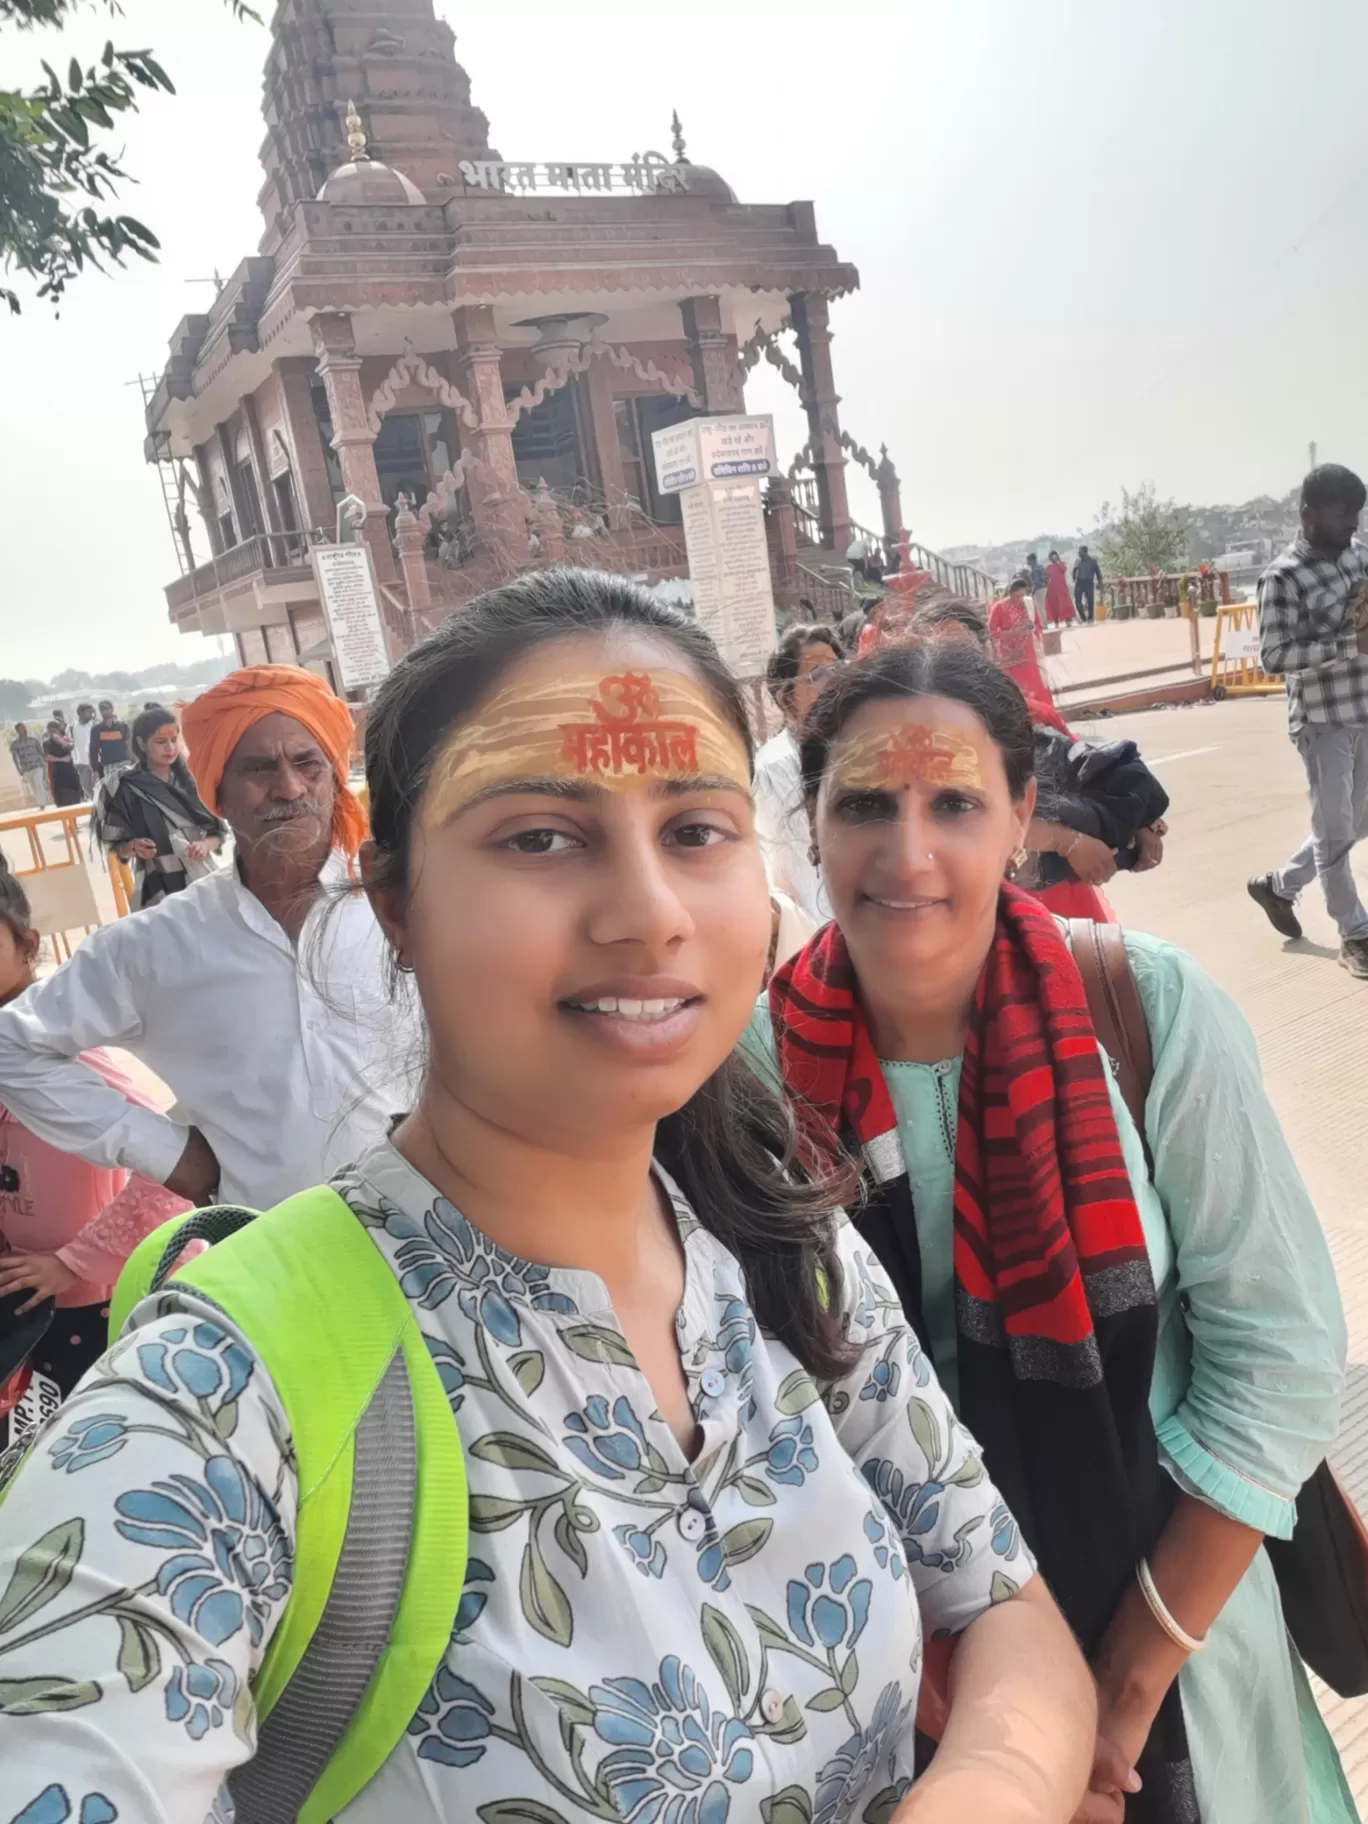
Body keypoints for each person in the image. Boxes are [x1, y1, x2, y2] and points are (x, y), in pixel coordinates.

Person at [0, 571, 1098, 1822]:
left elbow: (1008, 1607)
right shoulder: (218, 1407)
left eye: (695, 830)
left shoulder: (780, 1241)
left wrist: (991, 1784)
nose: (649, 915)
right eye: (542, 837)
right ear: (399, 904)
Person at [745, 637, 1351, 1823]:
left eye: (957, 803)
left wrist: (1119, 1693)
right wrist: (973, 1705)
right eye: (865, 803)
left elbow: (1276, 1357)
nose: (907, 852)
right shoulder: (749, 1082)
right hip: (896, 1685)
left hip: (1182, 1651)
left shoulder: (1146, 1008)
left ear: (1024, 815)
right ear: (810, 819)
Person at [0, 663, 417, 1211]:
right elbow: (13, 1045)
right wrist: (166, 1152)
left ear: (335, 776)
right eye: (259, 768)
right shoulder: (158, 945)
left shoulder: (404, 904)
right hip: (271, 1256)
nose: (289, 787)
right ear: (216, 792)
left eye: (307, 764)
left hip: (440, 1245)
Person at [0, 864, 190, 1439]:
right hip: (35, 1300)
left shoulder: (73, 1060)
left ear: (29, 944)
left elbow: (176, 1172)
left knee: (109, 1435)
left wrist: (72, 1263)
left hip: (103, 1303)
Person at [920, 597, 1166, 921]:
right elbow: (962, 825)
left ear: (987, 653)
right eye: (935, 651)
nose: (949, 665)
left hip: (1066, 901)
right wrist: (1069, 842)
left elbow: (1089, 777)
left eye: (959, 650)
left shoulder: (1034, 715)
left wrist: (1141, 823)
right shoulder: (916, 740)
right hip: (983, 912)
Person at [1250, 463, 1368, 978]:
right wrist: (1348, 645)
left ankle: (1279, 885)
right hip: (1323, 720)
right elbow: (1273, 656)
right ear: (1308, 514)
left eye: (1357, 513)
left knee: (1351, 825)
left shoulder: (1360, 555)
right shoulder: (1282, 577)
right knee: (1336, 829)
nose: (1353, 524)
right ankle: (1355, 932)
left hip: (1365, 707)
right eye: (1343, 513)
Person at [754, 622, 845, 926]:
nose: (832, 682)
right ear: (786, 698)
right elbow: (797, 877)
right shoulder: (774, 767)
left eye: (838, 669)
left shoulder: (858, 747)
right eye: (818, 675)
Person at [92, 706, 225, 910]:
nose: (170, 748)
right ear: (141, 744)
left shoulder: (191, 779)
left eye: (174, 740)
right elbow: (119, 848)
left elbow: (218, 833)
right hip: (157, 884)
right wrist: (134, 847)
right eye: (161, 742)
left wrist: (204, 845)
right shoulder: (126, 787)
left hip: (202, 877)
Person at [7, 723, 49, 809]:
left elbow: (40, 751)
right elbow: (15, 758)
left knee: (39, 783)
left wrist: (46, 760)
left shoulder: (33, 740)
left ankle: (42, 803)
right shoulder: (14, 743)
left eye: (25, 727)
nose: (24, 729)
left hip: (37, 765)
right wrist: (19, 769)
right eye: (22, 728)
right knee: (33, 786)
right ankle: (40, 802)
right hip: (26, 768)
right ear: (18, 731)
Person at [88, 699, 131, 782]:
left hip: (124, 763)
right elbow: (93, 750)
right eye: (102, 710)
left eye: (107, 709)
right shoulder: (96, 729)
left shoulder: (122, 726)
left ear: (112, 709)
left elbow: (128, 744)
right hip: (108, 765)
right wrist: (95, 770)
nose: (104, 712)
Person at [42, 721, 82, 807]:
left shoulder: (66, 739)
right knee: (61, 797)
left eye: (54, 728)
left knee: (75, 795)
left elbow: (71, 746)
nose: (52, 731)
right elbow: (47, 757)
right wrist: (61, 759)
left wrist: (60, 740)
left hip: (70, 770)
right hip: (58, 772)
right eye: (50, 729)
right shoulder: (46, 743)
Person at [1044, 551, 1076, 627]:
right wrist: (1046, 590)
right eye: (1052, 557)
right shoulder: (1048, 567)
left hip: (1062, 588)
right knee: (1054, 606)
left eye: (1055, 556)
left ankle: (1068, 621)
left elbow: (1063, 569)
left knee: (1066, 604)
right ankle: (1056, 622)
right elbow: (1046, 578)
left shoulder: (1062, 563)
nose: (1053, 558)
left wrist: (1057, 562)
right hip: (1052, 589)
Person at [1073, 546, 1103, 624]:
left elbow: (1098, 574)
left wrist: (1100, 584)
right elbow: (1074, 571)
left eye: (1080, 551)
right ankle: (1083, 618)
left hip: (1089, 582)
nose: (1078, 553)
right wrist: (1074, 577)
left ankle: (1090, 618)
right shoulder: (1078, 561)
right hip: (1079, 583)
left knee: (1090, 601)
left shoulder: (1093, 561)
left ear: (1084, 552)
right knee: (1078, 602)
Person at [74, 702, 98, 799]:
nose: (91, 714)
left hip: (95, 762)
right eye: (88, 712)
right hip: (81, 763)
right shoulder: (72, 727)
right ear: (80, 712)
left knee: (98, 787)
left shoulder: (95, 725)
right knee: (87, 789)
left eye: (92, 712)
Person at [1026, 551, 1048, 626]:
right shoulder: (1039, 566)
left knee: (1041, 607)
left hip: (1039, 589)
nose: (1027, 562)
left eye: (1028, 560)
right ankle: (1044, 623)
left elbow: (1036, 582)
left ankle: (1044, 624)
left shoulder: (1035, 568)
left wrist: (1032, 591)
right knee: (1041, 607)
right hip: (1042, 588)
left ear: (1032, 560)